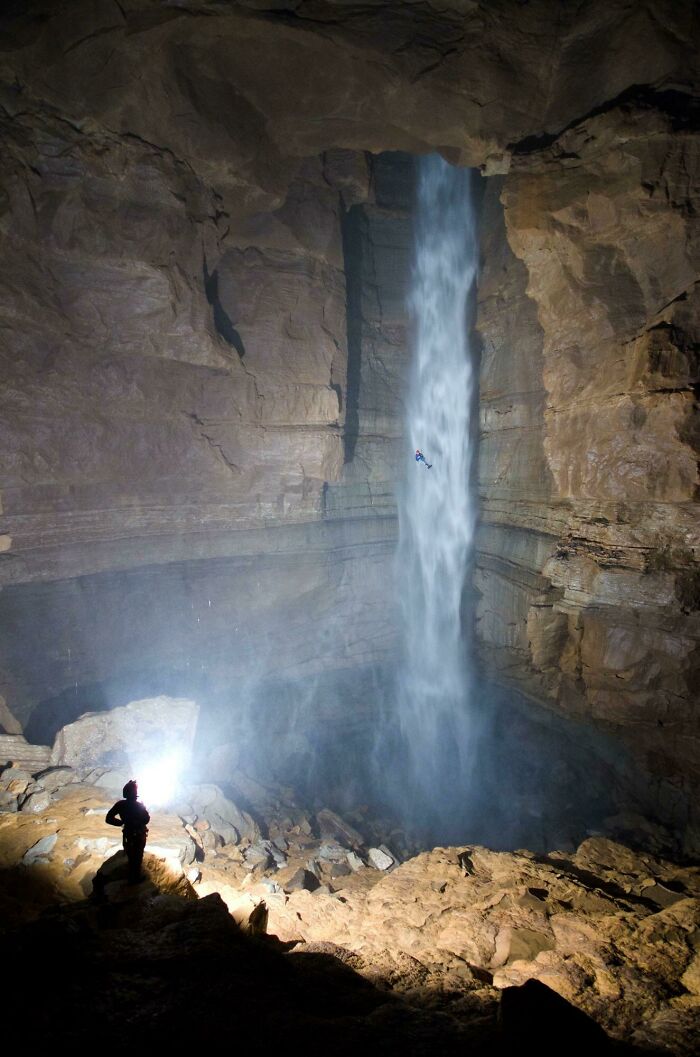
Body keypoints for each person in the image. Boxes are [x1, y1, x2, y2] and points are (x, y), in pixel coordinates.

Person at [106, 779, 150, 884]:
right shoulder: (139, 806)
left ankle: (131, 878)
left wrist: (121, 823)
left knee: (131, 857)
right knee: (138, 857)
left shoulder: (120, 804)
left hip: (128, 834)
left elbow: (108, 818)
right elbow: (146, 820)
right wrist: (145, 810)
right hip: (139, 835)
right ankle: (134, 880)